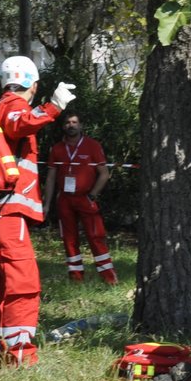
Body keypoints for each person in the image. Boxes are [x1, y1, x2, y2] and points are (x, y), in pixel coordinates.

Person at [0, 55, 74, 367]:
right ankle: (22, 357)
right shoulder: (13, 105)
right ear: (33, 85)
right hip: (7, 214)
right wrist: (53, 106)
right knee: (23, 283)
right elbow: (20, 123)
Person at [42, 111, 117, 284]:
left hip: (85, 198)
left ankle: (109, 278)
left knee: (95, 236)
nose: (71, 125)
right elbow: (51, 177)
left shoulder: (92, 145)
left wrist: (92, 196)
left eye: (75, 122)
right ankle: (76, 278)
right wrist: (47, 203)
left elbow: (104, 174)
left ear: (81, 125)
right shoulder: (57, 149)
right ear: (63, 126)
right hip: (65, 200)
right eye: (68, 122)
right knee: (69, 239)